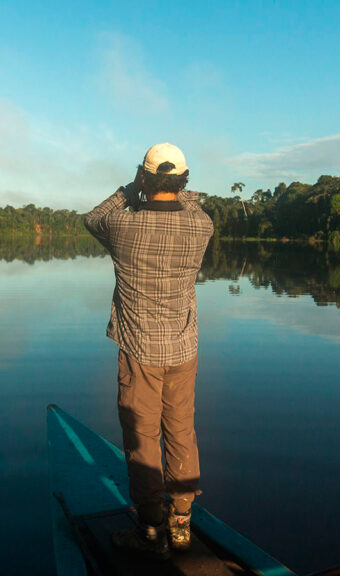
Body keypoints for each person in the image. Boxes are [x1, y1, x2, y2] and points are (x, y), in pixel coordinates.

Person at [84, 142, 214, 559]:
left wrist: (129, 190)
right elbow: (190, 202)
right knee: (181, 431)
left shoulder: (123, 226)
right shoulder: (202, 225)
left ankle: (151, 530)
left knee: (142, 439)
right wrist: (175, 188)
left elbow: (92, 218)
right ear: (183, 180)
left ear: (144, 177)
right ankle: (182, 523)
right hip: (183, 348)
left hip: (140, 350)